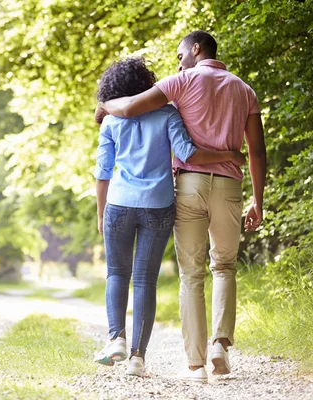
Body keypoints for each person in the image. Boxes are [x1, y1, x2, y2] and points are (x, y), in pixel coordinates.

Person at [96, 31, 267, 382]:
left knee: (190, 273)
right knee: (224, 266)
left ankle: (194, 364)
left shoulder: (181, 82)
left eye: (179, 54)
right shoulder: (243, 90)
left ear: (195, 49)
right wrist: (257, 200)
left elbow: (126, 112)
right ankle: (219, 344)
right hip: (225, 186)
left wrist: (104, 105)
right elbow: (258, 151)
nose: (177, 61)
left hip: (184, 186)